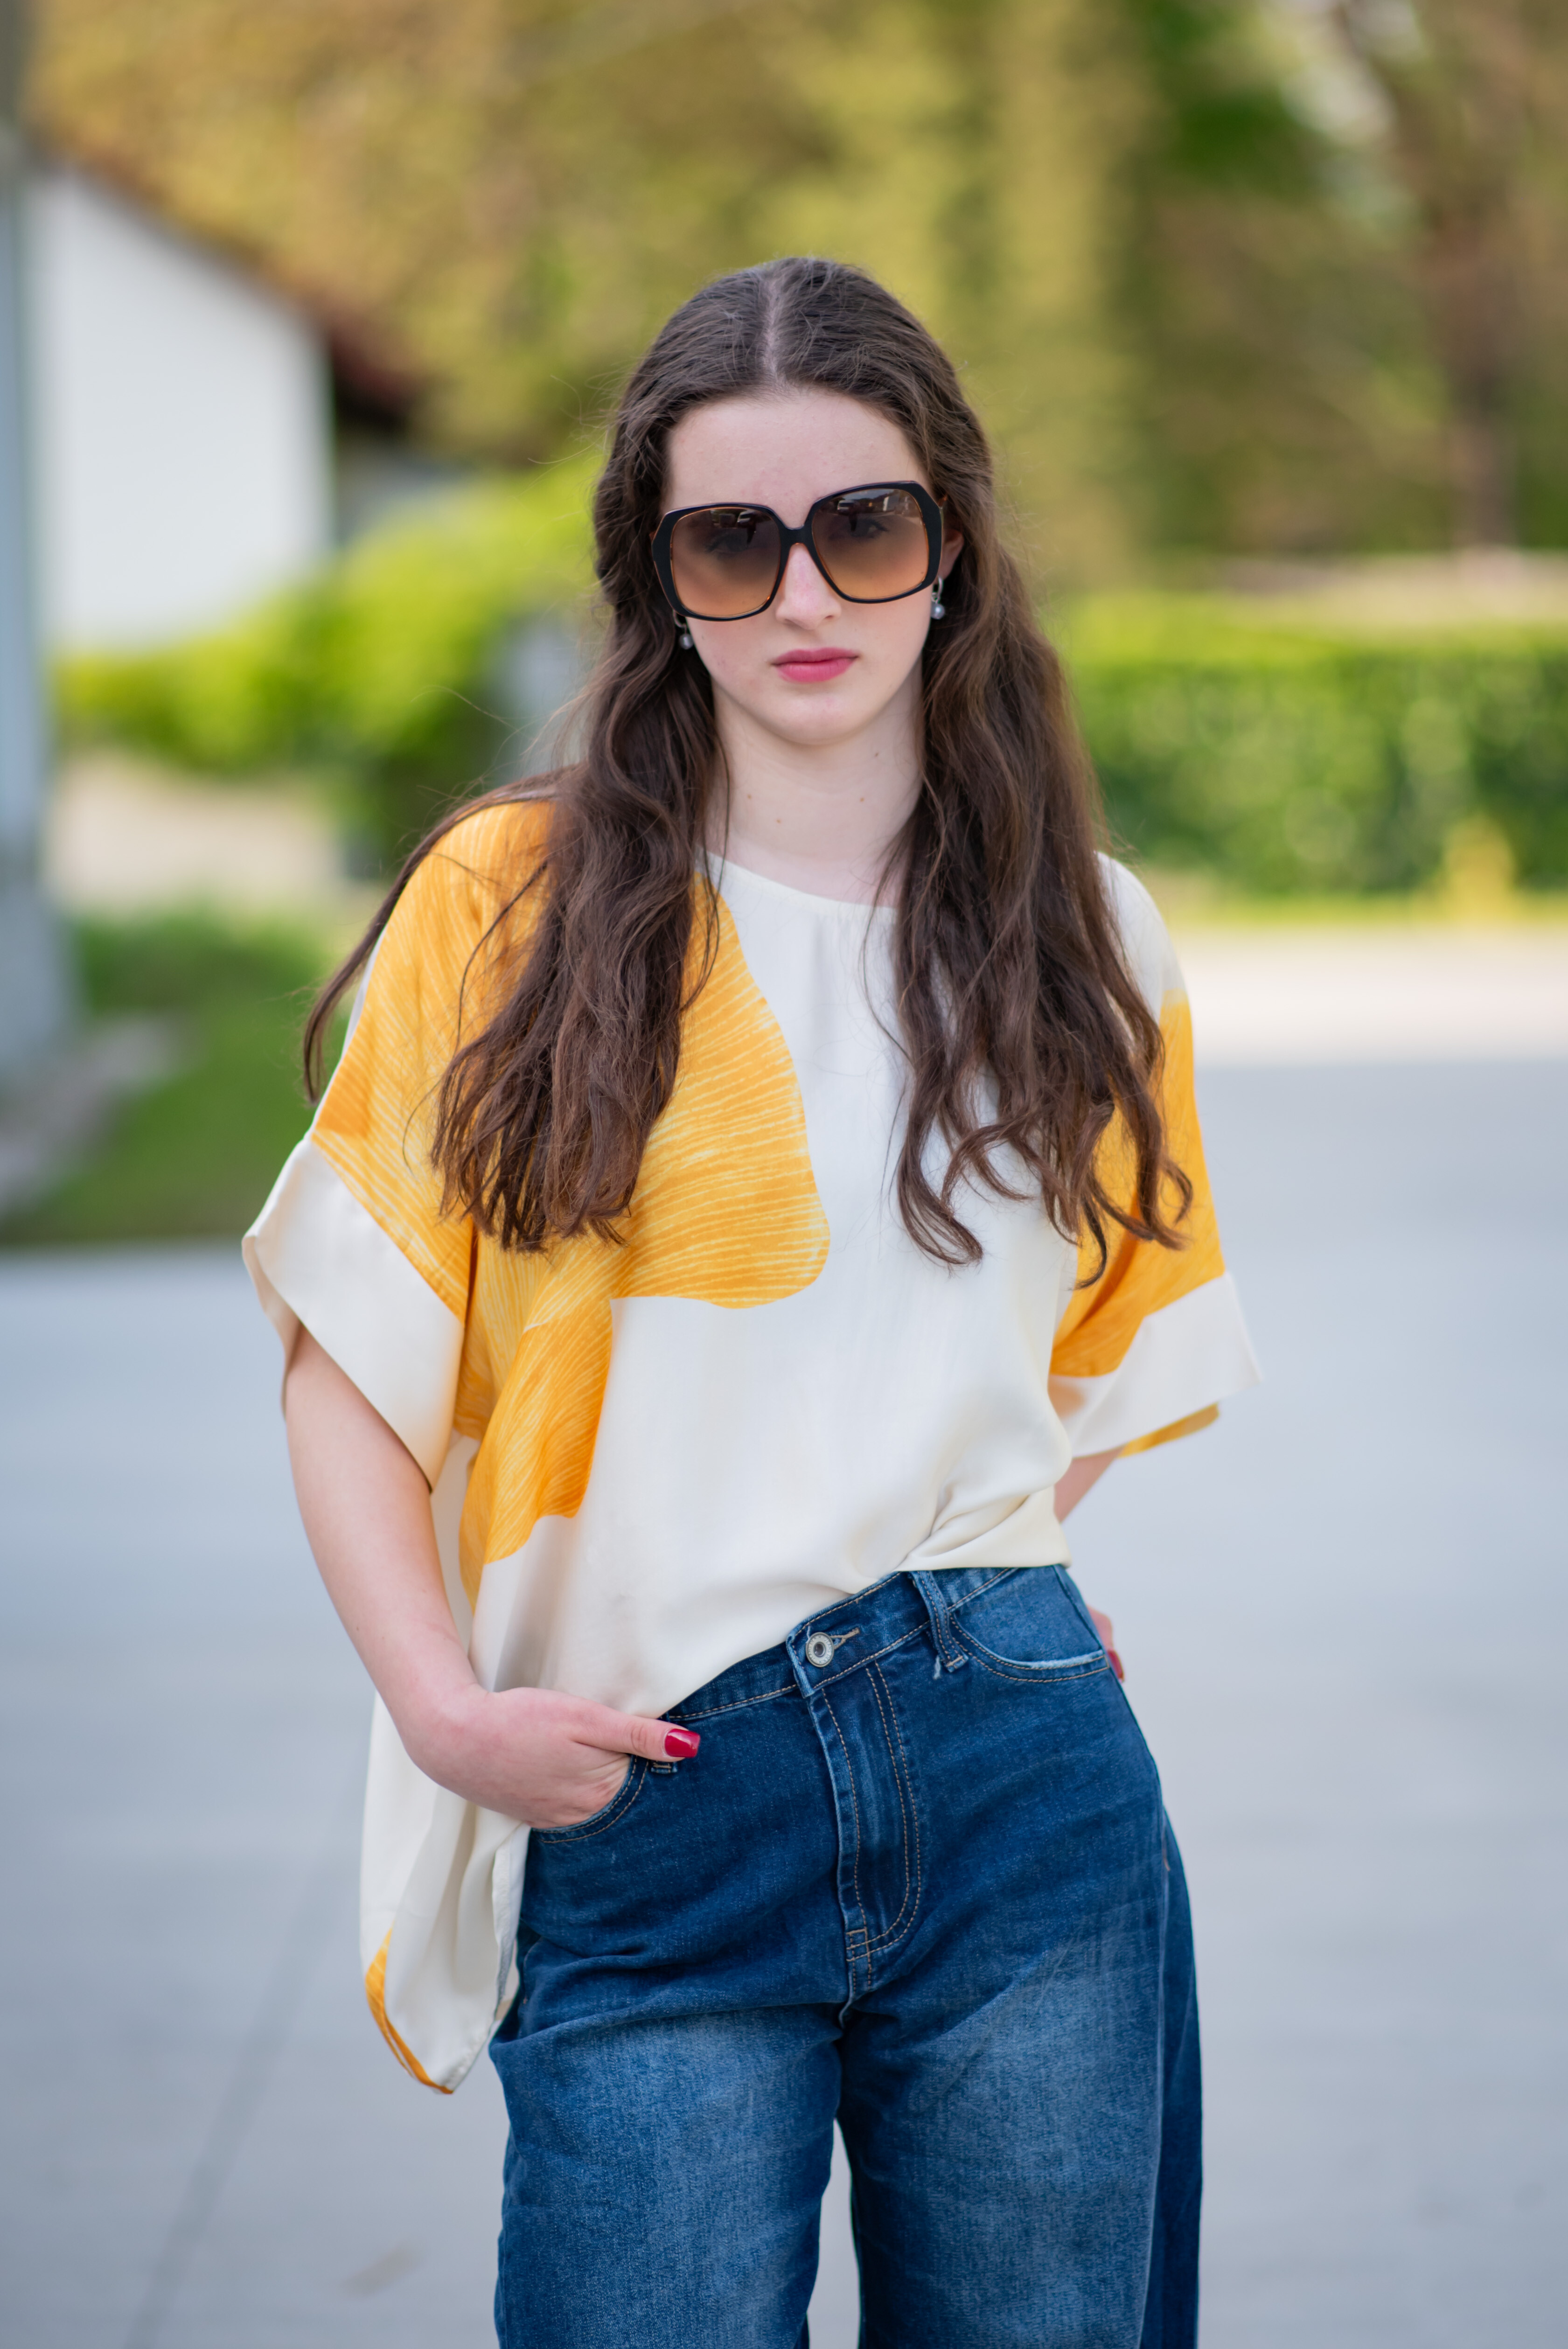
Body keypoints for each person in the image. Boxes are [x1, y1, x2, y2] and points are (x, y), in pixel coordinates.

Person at [247, 255, 1258, 2349]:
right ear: (662, 576)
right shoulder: (507, 907)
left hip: (1025, 1795)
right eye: (734, 539)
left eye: (861, 527)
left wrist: (975, 1582)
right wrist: (441, 1706)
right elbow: (351, 1357)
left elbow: (1087, 1360)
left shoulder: (1086, 932)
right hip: (651, 1783)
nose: (806, 594)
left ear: (948, 550)